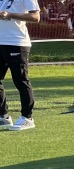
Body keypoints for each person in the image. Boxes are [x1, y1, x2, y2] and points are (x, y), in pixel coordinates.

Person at [0, 0, 39, 131]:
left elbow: (35, 17)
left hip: (17, 42)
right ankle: (3, 116)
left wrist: (10, 15)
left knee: (20, 80)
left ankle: (27, 118)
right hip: (1, 42)